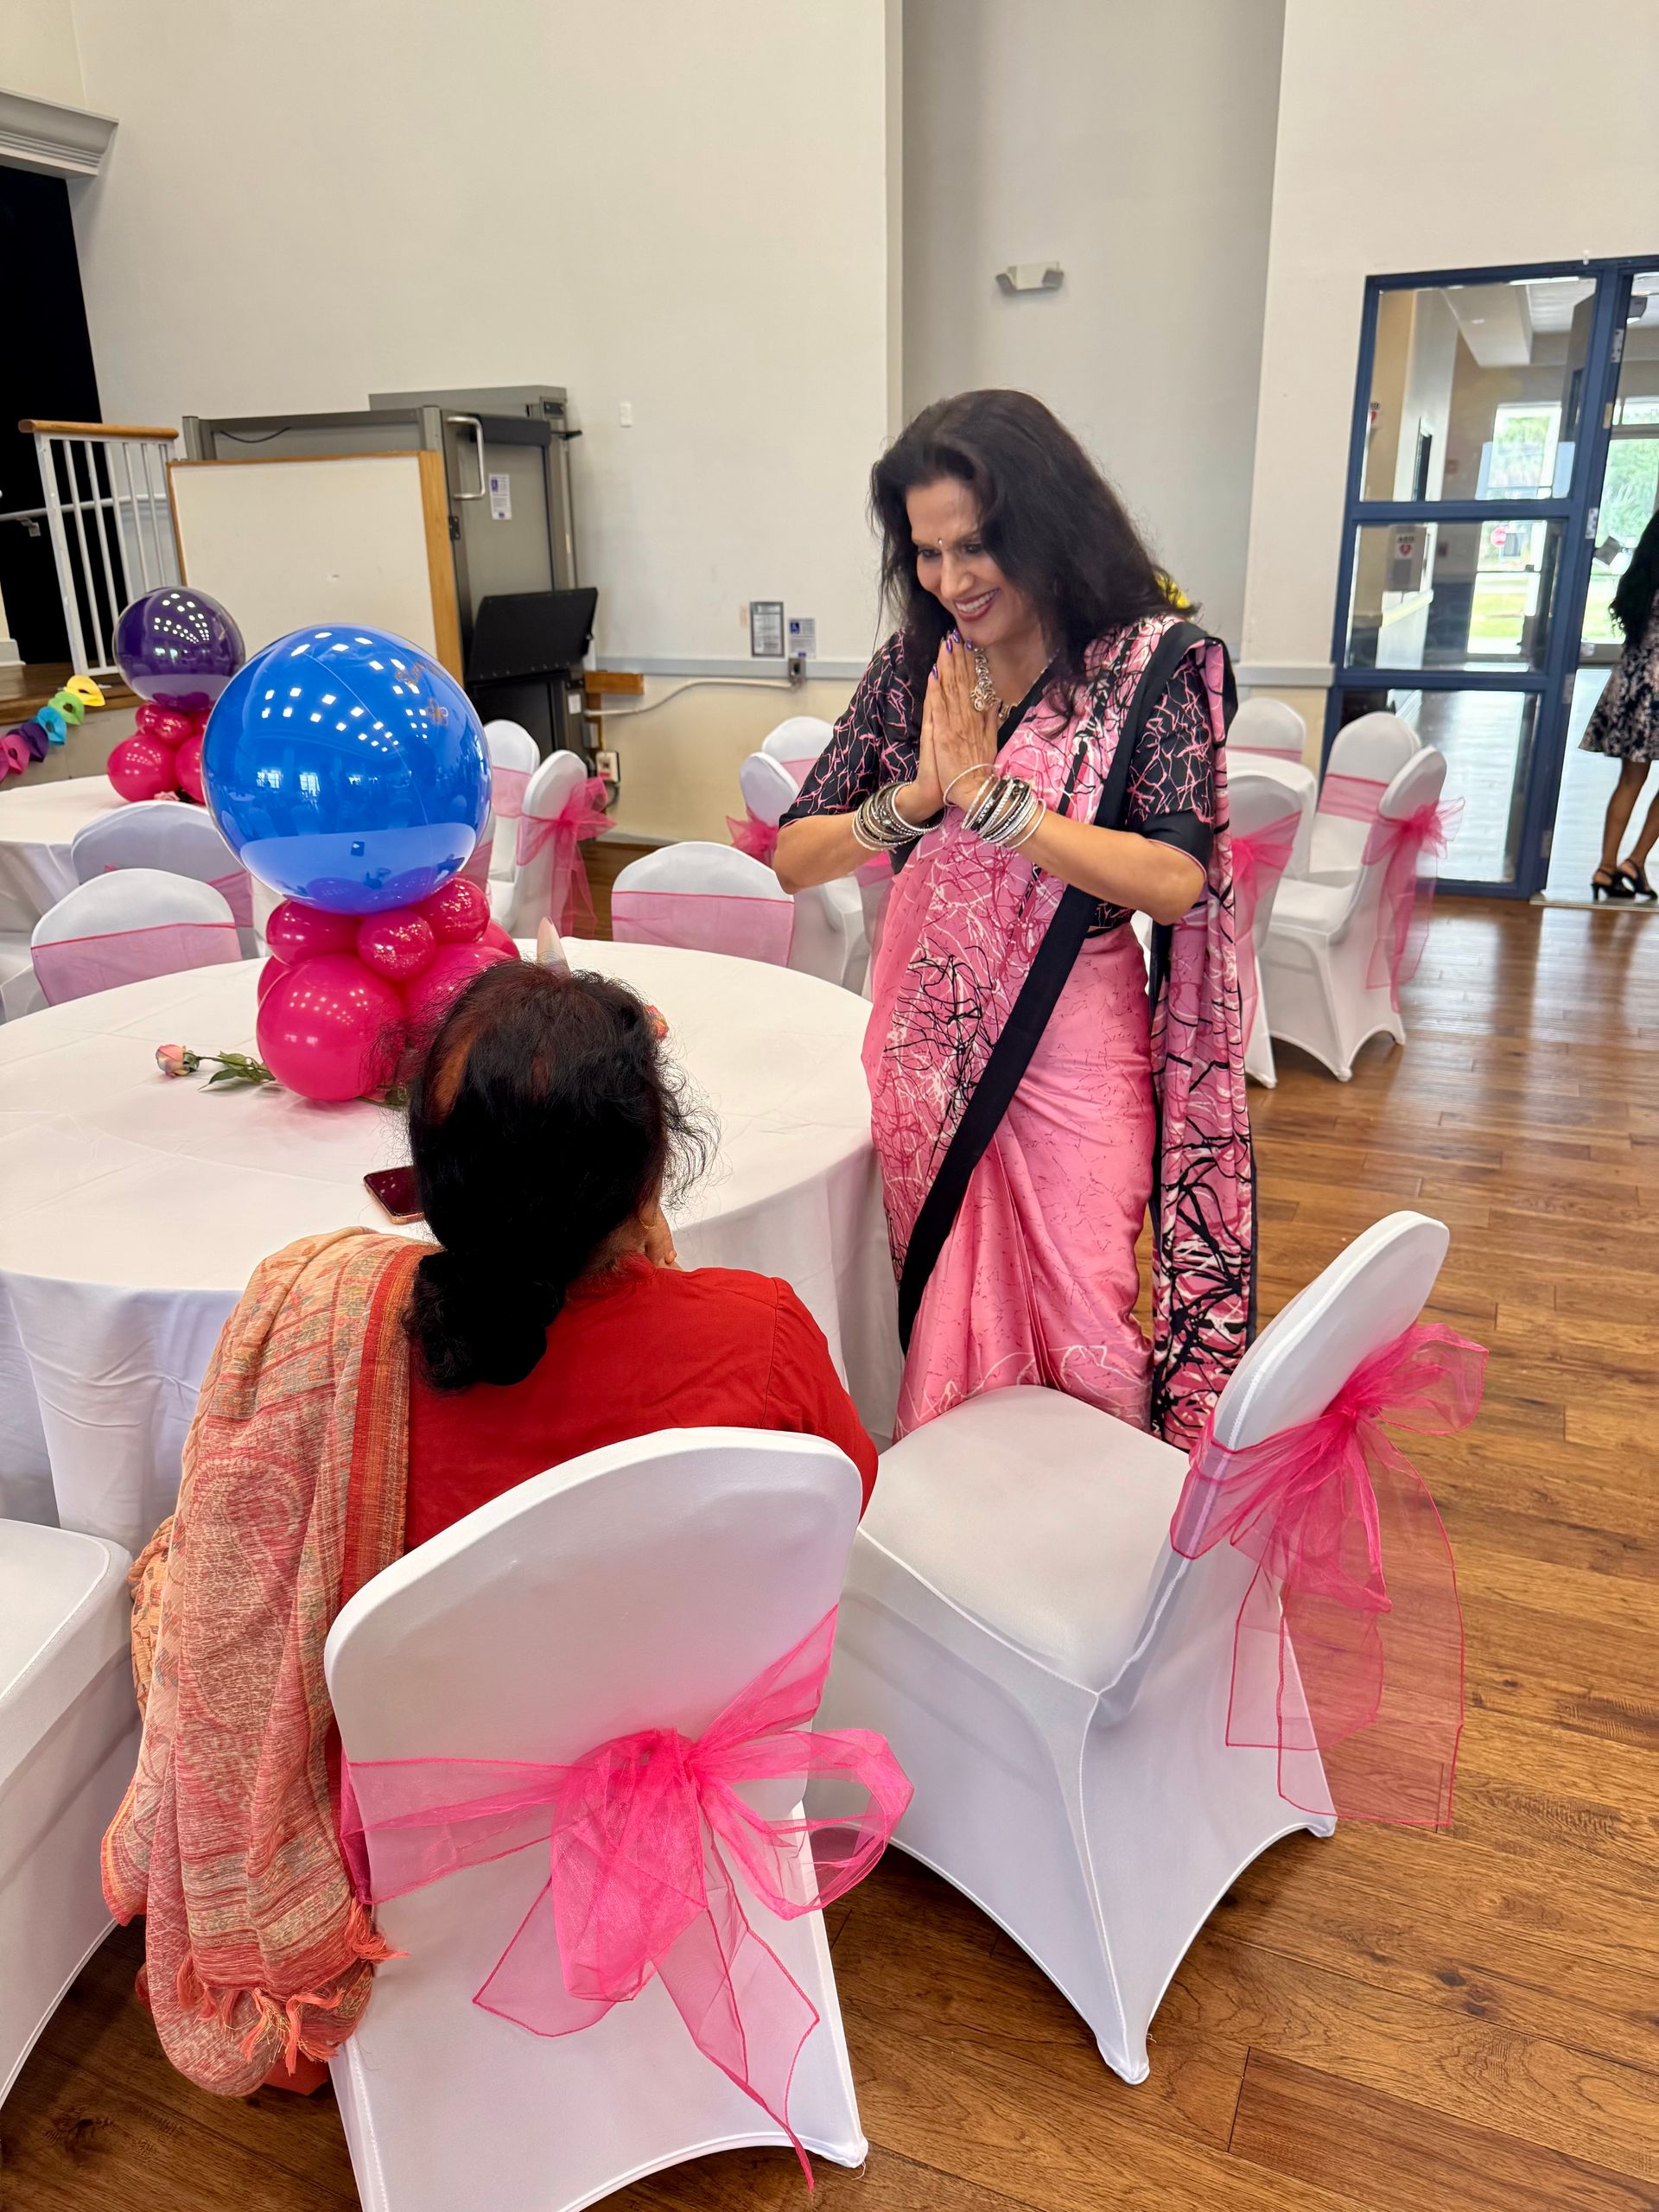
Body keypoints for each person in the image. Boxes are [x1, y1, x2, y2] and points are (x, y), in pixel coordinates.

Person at [102, 958, 877, 2097]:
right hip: (682, 1740)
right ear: (654, 1167)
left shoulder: (347, 1349)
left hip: (432, 1810)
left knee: (178, 1569)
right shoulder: (758, 1333)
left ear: (430, 1181)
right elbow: (838, 1501)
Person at [774, 389, 1253, 1446]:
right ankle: (962, 1548)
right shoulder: (919, 667)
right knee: (946, 1307)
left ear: (1048, 522)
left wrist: (998, 805)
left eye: (979, 545)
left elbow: (1172, 877)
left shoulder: (1153, 665)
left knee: (1088, 1305)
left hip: (1076, 1043)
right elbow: (793, 856)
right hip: (927, 1052)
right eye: (929, 553)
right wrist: (918, 800)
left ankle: (1093, 1563)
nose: (952, 580)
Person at [1584, 510, 1659, 899]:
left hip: (1631, 683)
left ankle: (1605, 868)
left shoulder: (1639, 580)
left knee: (1630, 780)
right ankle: (1636, 860)